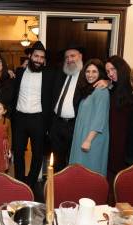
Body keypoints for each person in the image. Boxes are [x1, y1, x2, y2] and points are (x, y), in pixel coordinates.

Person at [13, 41, 54, 187]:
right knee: (18, 152)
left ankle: (30, 183)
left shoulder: (49, 74)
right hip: (20, 118)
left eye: (42, 57)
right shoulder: (19, 72)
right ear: (30, 56)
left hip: (38, 119)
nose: (38, 60)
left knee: (37, 154)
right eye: (36, 56)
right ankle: (19, 182)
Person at [69, 59, 110, 176]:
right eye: (87, 71)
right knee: (79, 170)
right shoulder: (89, 90)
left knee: (90, 171)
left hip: (92, 138)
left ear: (100, 73)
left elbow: (100, 119)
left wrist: (88, 140)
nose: (90, 75)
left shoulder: (102, 91)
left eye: (94, 72)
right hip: (82, 135)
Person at [49, 44, 84, 172]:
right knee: (57, 160)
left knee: (72, 160)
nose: (69, 59)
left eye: (73, 56)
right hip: (57, 124)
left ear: (80, 56)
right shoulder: (62, 73)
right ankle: (58, 187)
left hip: (74, 126)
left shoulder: (87, 76)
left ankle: (71, 188)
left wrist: (108, 83)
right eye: (67, 57)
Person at [105, 55, 133, 174]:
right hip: (114, 140)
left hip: (128, 143)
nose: (110, 73)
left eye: (113, 69)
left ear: (121, 68)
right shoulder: (113, 88)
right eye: (108, 71)